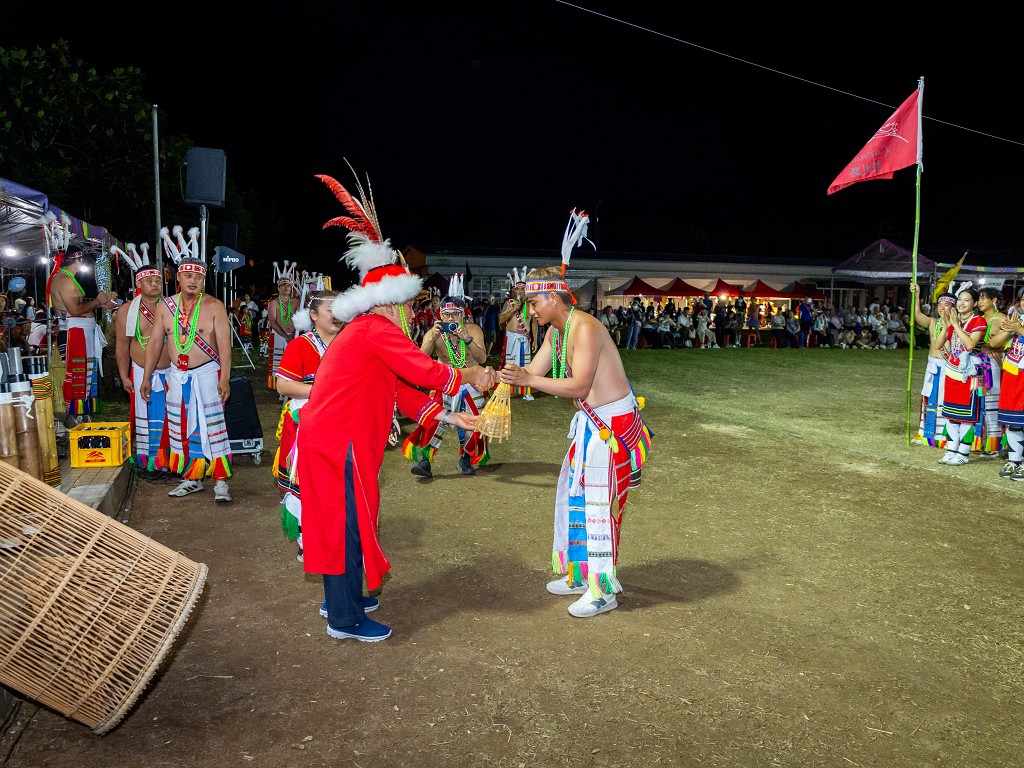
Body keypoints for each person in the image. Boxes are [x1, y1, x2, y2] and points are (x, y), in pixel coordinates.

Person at [299, 168, 496, 642]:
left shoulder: (369, 332)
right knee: (345, 526)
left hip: (336, 441)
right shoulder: (377, 330)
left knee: (345, 523)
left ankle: (342, 601)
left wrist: (450, 414)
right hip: (338, 444)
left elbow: (404, 393)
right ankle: (344, 619)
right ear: (389, 301)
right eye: (407, 303)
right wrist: (470, 376)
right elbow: (426, 373)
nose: (412, 311)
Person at [498, 256, 652, 619]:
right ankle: (581, 575)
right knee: (575, 500)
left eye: (533, 303)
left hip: (610, 429)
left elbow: (578, 385)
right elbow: (533, 370)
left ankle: (602, 591)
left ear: (552, 298)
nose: (530, 311)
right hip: (591, 427)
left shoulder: (584, 328)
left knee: (598, 509)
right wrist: (504, 376)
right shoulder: (557, 332)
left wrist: (528, 380)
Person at [141, 224, 233, 502]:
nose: (192, 280)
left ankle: (220, 482)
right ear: (177, 277)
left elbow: (226, 347)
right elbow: (155, 344)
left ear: (203, 280)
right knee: (181, 427)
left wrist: (225, 378)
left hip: (208, 375)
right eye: (187, 275)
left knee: (213, 427)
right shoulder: (165, 307)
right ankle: (191, 477)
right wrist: (145, 377)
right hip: (176, 376)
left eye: (198, 276)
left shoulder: (214, 306)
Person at [275, 288, 341, 562]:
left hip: (340, 423)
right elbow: (283, 384)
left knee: (337, 482)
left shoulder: (348, 343)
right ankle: (306, 537)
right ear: (313, 315)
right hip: (307, 423)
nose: (338, 316)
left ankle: (334, 533)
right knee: (307, 483)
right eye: (331, 310)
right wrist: (322, 391)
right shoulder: (300, 346)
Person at [403, 274, 490, 479]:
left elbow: (483, 358)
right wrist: (431, 338)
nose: (451, 319)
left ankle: (466, 458)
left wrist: (467, 339)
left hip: (471, 383)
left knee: (474, 422)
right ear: (440, 315)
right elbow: (420, 361)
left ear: (463, 315)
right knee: (433, 419)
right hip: (445, 382)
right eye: (447, 314)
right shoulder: (435, 333)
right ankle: (425, 460)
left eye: (455, 314)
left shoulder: (473, 330)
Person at [112, 242, 171, 474]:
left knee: (171, 417)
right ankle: (150, 464)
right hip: (139, 371)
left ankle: (171, 461)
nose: (155, 284)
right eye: (149, 280)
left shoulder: (171, 306)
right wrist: (124, 375)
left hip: (171, 373)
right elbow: (122, 346)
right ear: (138, 283)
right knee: (145, 419)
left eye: (157, 280)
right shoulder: (127, 310)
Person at [47, 246, 119, 418]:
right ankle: (74, 414)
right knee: (78, 373)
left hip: (82, 331)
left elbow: (80, 307)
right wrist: (98, 301)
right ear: (77, 259)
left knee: (86, 374)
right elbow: (75, 310)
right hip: (75, 332)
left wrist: (103, 304)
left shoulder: (68, 278)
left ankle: (83, 411)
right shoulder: (64, 280)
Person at [938, 286, 987, 465]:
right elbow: (939, 346)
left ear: (974, 304)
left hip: (971, 374)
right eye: (959, 300)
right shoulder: (953, 320)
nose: (961, 303)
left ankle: (963, 453)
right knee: (951, 414)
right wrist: (946, 327)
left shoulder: (978, 321)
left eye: (966, 300)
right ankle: (951, 450)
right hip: (953, 372)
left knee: (967, 415)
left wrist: (956, 326)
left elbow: (969, 345)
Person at [910, 284, 953, 448]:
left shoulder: (956, 325)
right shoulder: (933, 322)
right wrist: (917, 295)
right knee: (928, 397)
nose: (942, 308)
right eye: (940, 305)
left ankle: (943, 435)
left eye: (946, 305)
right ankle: (924, 432)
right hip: (932, 365)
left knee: (944, 400)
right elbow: (917, 315)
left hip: (947, 366)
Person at [995, 288, 1024, 480]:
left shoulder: (1019, 325)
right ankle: (1014, 461)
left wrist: (1019, 330)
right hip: (1013, 375)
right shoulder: (1017, 320)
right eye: (1023, 299)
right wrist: (1008, 330)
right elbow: (995, 343)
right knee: (1014, 422)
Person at [498, 267, 540, 400]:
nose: (520, 292)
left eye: (522, 289)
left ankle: (526, 391)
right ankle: (508, 390)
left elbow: (534, 323)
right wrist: (512, 310)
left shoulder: (530, 305)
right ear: (514, 290)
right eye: (518, 289)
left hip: (525, 339)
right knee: (510, 365)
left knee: (525, 365)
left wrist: (534, 339)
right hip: (512, 338)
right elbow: (500, 320)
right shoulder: (508, 303)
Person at [267, 261, 299, 391]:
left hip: (293, 335)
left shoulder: (296, 302)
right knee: (279, 362)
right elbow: (273, 322)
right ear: (279, 288)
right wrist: (286, 336)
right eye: (284, 286)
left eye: (288, 286)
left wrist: (294, 334)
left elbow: (299, 319)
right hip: (280, 336)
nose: (286, 288)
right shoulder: (273, 303)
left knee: (291, 362)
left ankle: (290, 385)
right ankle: (279, 387)